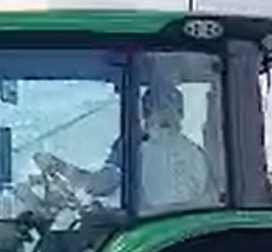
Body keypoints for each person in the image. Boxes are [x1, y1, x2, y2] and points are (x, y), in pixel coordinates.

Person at [34, 82, 217, 213]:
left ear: (145, 114)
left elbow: (102, 184)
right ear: (181, 113)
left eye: (164, 108)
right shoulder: (198, 154)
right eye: (162, 108)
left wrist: (59, 167)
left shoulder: (133, 148)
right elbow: (211, 200)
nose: (164, 114)